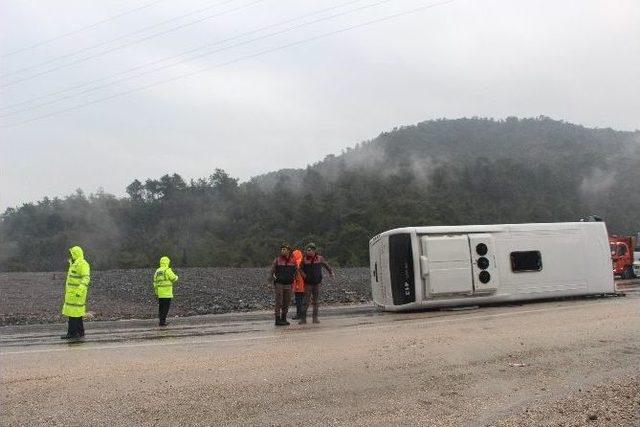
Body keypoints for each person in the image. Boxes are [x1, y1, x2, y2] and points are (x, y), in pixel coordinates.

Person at [60, 245, 91, 340]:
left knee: (73, 314)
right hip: (72, 293)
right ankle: (80, 332)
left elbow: (86, 278)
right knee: (77, 313)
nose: (71, 255)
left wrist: (79, 291)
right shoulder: (73, 263)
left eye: (72, 253)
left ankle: (72, 333)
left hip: (77, 294)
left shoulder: (82, 264)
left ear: (76, 254)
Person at [300, 243, 334, 324]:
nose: (307, 252)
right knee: (305, 302)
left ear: (314, 250)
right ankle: (303, 319)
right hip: (308, 283)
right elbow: (299, 269)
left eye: (309, 250)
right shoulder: (304, 259)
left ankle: (315, 318)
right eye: (306, 250)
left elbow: (326, 265)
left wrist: (331, 272)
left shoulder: (320, 258)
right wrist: (304, 275)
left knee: (316, 301)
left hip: (317, 283)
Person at [269, 244, 299, 326]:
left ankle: (284, 318)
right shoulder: (277, 260)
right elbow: (271, 272)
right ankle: (277, 320)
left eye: (284, 249)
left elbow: (296, 272)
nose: (282, 250)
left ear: (289, 251)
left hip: (289, 284)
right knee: (279, 302)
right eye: (281, 249)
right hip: (279, 283)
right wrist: (269, 282)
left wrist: (296, 283)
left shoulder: (293, 261)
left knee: (287, 302)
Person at [153, 256, 179, 327]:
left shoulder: (157, 271)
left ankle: (161, 321)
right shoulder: (167, 270)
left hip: (160, 293)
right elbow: (173, 278)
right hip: (167, 293)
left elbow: (155, 282)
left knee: (161, 308)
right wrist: (177, 277)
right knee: (166, 308)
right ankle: (163, 322)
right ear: (167, 262)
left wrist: (156, 292)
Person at [291, 249, 305, 320]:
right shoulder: (303, 261)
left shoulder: (297, 263)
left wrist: (296, 285)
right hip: (305, 286)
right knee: (302, 301)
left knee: (298, 301)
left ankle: (299, 315)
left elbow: (297, 276)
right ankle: (302, 315)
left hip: (299, 286)